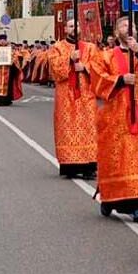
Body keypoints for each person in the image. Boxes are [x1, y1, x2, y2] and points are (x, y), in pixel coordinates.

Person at [89, 15, 138, 224]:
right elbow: (97, 79)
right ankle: (113, 199)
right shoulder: (106, 56)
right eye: (124, 25)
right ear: (117, 33)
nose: (129, 27)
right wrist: (120, 80)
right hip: (116, 116)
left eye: (132, 24)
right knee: (119, 161)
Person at [48, 18, 99, 179]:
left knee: (89, 128)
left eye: (76, 25)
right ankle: (70, 166)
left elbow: (99, 67)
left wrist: (84, 67)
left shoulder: (90, 48)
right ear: (65, 29)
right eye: (70, 26)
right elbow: (55, 71)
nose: (73, 28)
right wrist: (69, 59)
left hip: (86, 95)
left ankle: (89, 167)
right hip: (66, 96)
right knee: (67, 129)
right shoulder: (57, 47)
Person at [0, 34, 22, 107]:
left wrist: (12, 62)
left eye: (4, 40)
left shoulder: (10, 48)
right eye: (1, 39)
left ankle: (7, 100)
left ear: (6, 40)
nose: (2, 41)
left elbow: (15, 57)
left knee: (8, 86)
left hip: (8, 70)